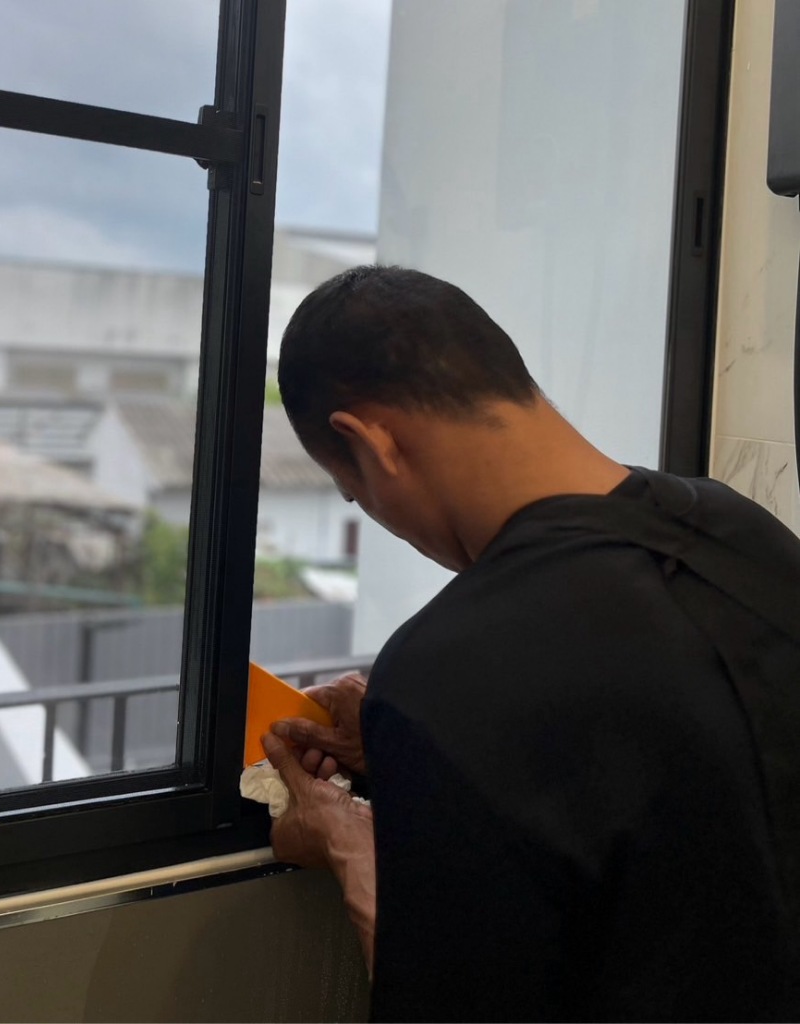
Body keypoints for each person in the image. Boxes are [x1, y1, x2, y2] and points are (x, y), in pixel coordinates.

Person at [261, 265, 800, 1022]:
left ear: (372, 443)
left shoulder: (448, 672)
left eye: (357, 496)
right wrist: (414, 755)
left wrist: (346, 843)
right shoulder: (746, 533)